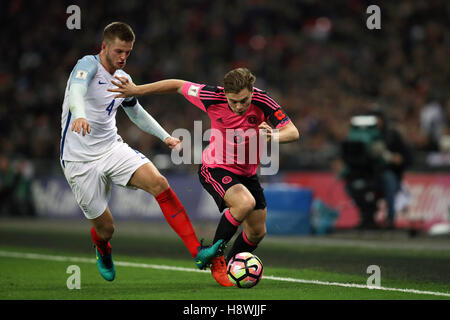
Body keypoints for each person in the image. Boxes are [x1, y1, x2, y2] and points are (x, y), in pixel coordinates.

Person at [59, 22, 223, 282]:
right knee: (106, 229)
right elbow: (77, 92)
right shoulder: (87, 66)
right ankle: (102, 247)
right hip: (79, 159)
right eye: (118, 51)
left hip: (111, 148)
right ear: (104, 47)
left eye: (128, 52)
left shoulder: (124, 80)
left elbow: (136, 112)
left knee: (159, 182)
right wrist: (79, 115)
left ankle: (198, 252)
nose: (123, 57)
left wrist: (164, 135)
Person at [108, 68, 300, 286]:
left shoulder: (263, 100)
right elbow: (178, 84)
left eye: (244, 101)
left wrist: (273, 135)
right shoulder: (211, 96)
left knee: (257, 232)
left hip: (247, 174)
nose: (239, 107)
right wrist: (137, 90)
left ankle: (229, 266)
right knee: (244, 203)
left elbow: (293, 132)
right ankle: (215, 256)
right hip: (216, 168)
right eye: (233, 101)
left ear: (251, 92)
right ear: (225, 94)